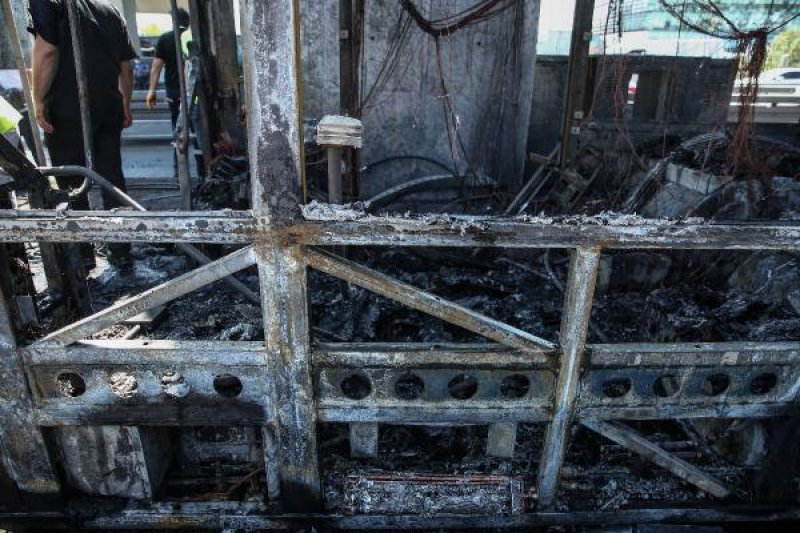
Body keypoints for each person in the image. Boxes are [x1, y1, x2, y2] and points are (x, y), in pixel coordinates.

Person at [28, 0, 137, 268]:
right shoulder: (109, 10)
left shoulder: (49, 3)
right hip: (107, 105)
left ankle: (84, 256)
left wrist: (38, 100)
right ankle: (121, 250)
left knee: (71, 183)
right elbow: (127, 66)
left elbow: (46, 52)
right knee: (112, 177)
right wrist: (125, 103)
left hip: (67, 109)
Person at [145, 8, 190, 130]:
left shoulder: (165, 39)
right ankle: (200, 146)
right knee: (198, 121)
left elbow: (156, 67)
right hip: (193, 87)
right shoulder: (193, 37)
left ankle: (178, 146)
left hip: (173, 89)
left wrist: (152, 91)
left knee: (176, 120)